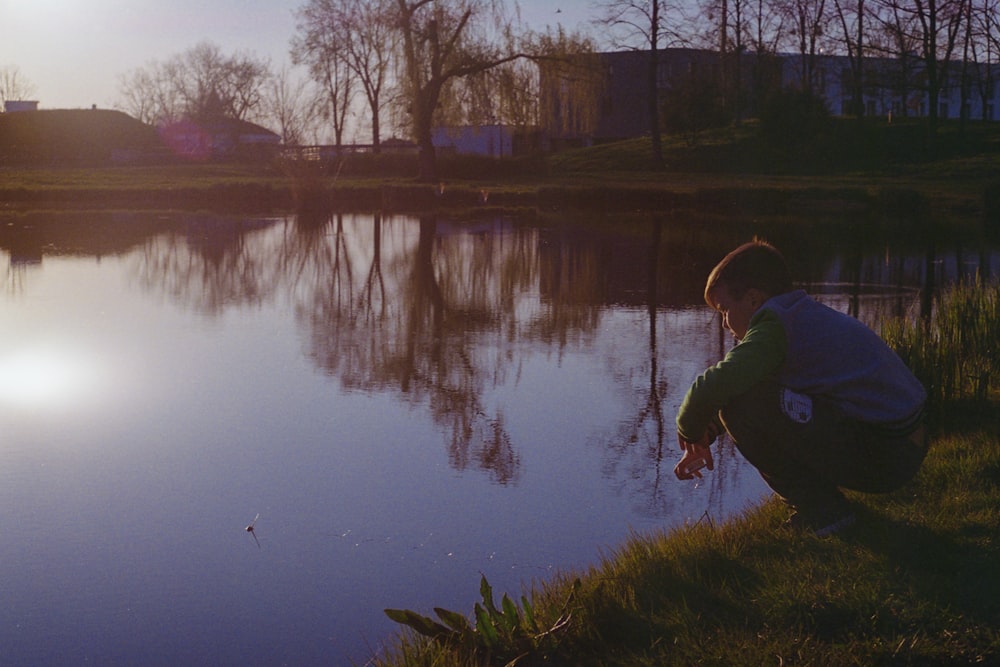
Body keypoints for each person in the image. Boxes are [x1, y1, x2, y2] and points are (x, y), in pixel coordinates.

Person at [673, 240, 928, 536]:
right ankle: (826, 508)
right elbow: (757, 385)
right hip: (901, 446)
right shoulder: (796, 315)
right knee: (748, 395)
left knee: (738, 407)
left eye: (724, 309)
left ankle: (824, 512)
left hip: (887, 453)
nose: (724, 324)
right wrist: (711, 430)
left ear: (754, 300)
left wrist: (688, 430)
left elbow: (710, 387)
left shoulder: (774, 325)